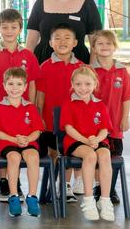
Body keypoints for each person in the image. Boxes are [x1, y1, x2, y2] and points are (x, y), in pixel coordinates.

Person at [0, 9, 41, 202]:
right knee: (5, 149)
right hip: (1, 111)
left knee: (23, 150)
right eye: (4, 27)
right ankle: (4, 183)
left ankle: (17, 186)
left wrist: (30, 106)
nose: (9, 31)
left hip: (22, 111)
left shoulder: (29, 56)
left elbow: (32, 84)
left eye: (13, 27)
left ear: (20, 29)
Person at [36, 23, 84, 203]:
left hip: (73, 123)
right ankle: (53, 183)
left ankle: (66, 185)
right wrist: (39, 115)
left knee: (69, 153)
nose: (62, 41)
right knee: (54, 153)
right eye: (57, 38)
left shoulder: (81, 67)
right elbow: (40, 95)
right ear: (50, 42)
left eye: (67, 38)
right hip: (49, 120)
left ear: (75, 43)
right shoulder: (45, 67)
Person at [60, 66, 114, 221]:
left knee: (105, 154)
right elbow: (69, 129)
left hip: (96, 141)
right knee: (90, 156)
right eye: (78, 84)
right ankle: (89, 200)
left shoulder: (100, 105)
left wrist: (97, 139)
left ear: (95, 84)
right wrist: (86, 141)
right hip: (76, 141)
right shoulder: (68, 104)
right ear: (72, 84)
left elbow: (104, 129)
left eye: (87, 84)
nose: (83, 88)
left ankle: (105, 200)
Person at [0, 67, 43, 217]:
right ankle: (13, 196)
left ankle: (32, 197)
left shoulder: (30, 108)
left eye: (19, 84)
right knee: (14, 157)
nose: (15, 88)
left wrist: (27, 139)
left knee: (33, 156)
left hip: (27, 142)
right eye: (11, 84)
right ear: (4, 85)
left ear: (25, 87)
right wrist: (14, 139)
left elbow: (36, 130)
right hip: (6, 143)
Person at [89, 30, 130, 204]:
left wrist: (125, 118)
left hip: (114, 124)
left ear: (114, 46)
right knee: (98, 158)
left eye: (108, 43)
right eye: (100, 43)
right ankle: (99, 187)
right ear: (94, 47)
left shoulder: (122, 71)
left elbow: (127, 97)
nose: (104, 46)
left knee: (114, 156)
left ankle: (111, 189)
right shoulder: (90, 70)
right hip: (94, 126)